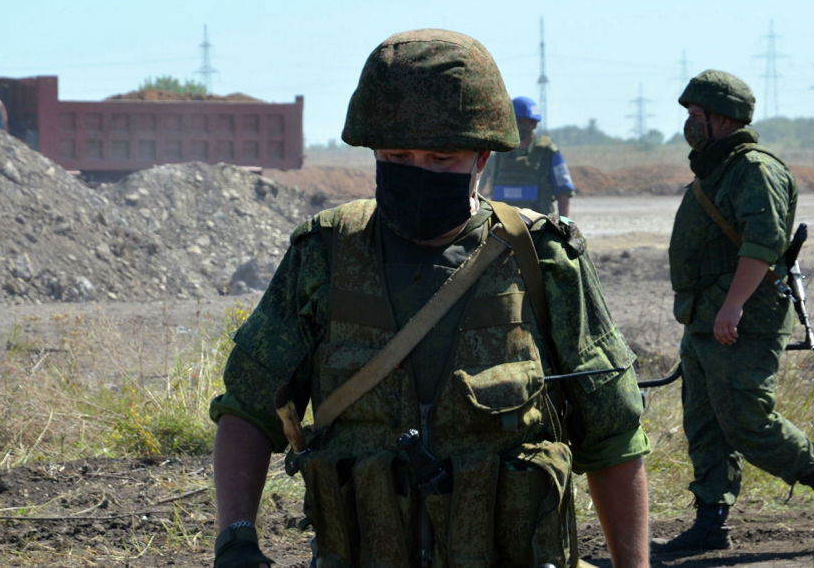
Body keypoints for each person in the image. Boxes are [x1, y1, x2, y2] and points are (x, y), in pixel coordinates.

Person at [210, 28, 651, 568]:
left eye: (441, 158)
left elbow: (613, 436)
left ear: (481, 157)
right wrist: (235, 537)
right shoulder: (324, 256)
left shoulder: (544, 261)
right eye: (398, 154)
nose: (418, 172)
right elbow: (247, 408)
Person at [656, 69, 814, 554]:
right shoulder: (716, 167)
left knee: (747, 418)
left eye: (696, 115)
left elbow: (763, 243)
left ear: (722, 118)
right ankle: (711, 522)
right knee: (705, 422)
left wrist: (732, 306)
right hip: (706, 315)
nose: (689, 124)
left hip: (743, 315)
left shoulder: (755, 169)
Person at [481, 95, 575, 217]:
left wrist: (564, 224)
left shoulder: (548, 153)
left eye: (520, 121)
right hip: (502, 226)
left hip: (538, 226)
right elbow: (478, 188)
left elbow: (564, 192)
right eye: (513, 120)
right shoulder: (498, 153)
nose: (516, 125)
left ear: (534, 124)